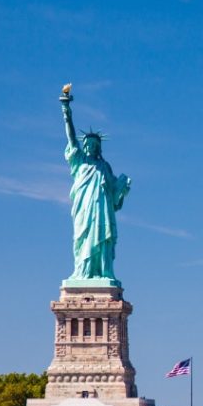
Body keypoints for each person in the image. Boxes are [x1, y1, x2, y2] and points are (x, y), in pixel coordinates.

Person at [60, 84, 131, 282]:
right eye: (87, 144)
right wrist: (67, 113)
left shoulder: (105, 167)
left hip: (101, 210)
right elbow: (71, 138)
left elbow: (114, 194)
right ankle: (82, 273)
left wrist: (122, 188)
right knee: (83, 239)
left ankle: (103, 272)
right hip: (84, 209)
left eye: (93, 145)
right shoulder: (79, 161)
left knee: (102, 239)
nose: (90, 147)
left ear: (98, 147)